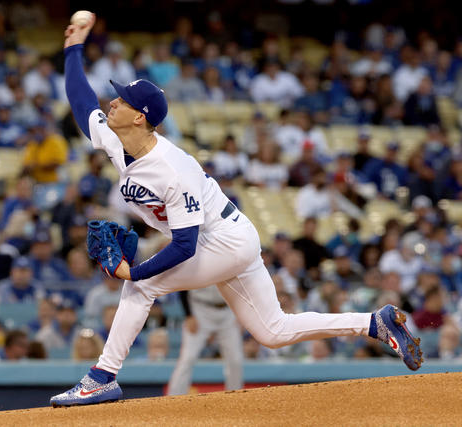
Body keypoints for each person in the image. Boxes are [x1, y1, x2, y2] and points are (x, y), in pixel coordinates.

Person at [49, 15, 423, 407]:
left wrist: (135, 271)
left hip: (222, 241)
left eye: (122, 100)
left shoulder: (172, 169)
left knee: (140, 287)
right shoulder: (116, 137)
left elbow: (185, 246)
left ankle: (102, 377)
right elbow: (81, 103)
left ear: (140, 117)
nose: (114, 101)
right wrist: (73, 49)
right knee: (273, 331)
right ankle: (372, 323)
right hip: (228, 235)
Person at [168, 287, 243, 395]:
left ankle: (235, 397)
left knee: (235, 359)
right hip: (200, 310)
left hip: (228, 310)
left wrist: (240, 312)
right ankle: (173, 398)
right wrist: (188, 315)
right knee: (188, 358)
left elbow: (241, 284)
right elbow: (183, 286)